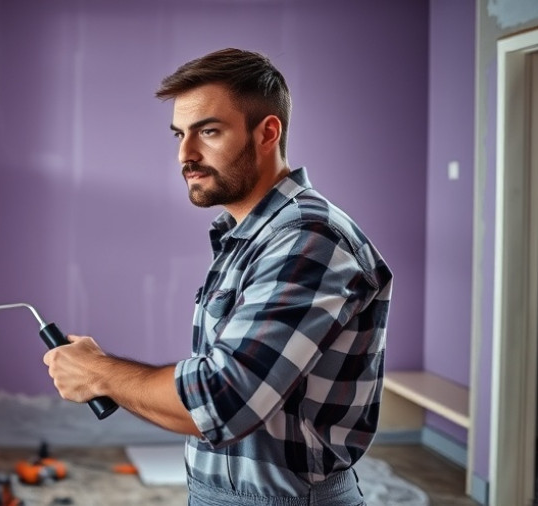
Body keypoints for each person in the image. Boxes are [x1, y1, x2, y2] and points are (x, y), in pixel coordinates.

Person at [42, 48, 393, 506]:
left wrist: (99, 373)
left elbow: (224, 398)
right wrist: (99, 375)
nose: (185, 154)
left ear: (267, 132)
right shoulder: (248, 236)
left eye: (208, 131)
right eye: (179, 135)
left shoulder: (307, 239)